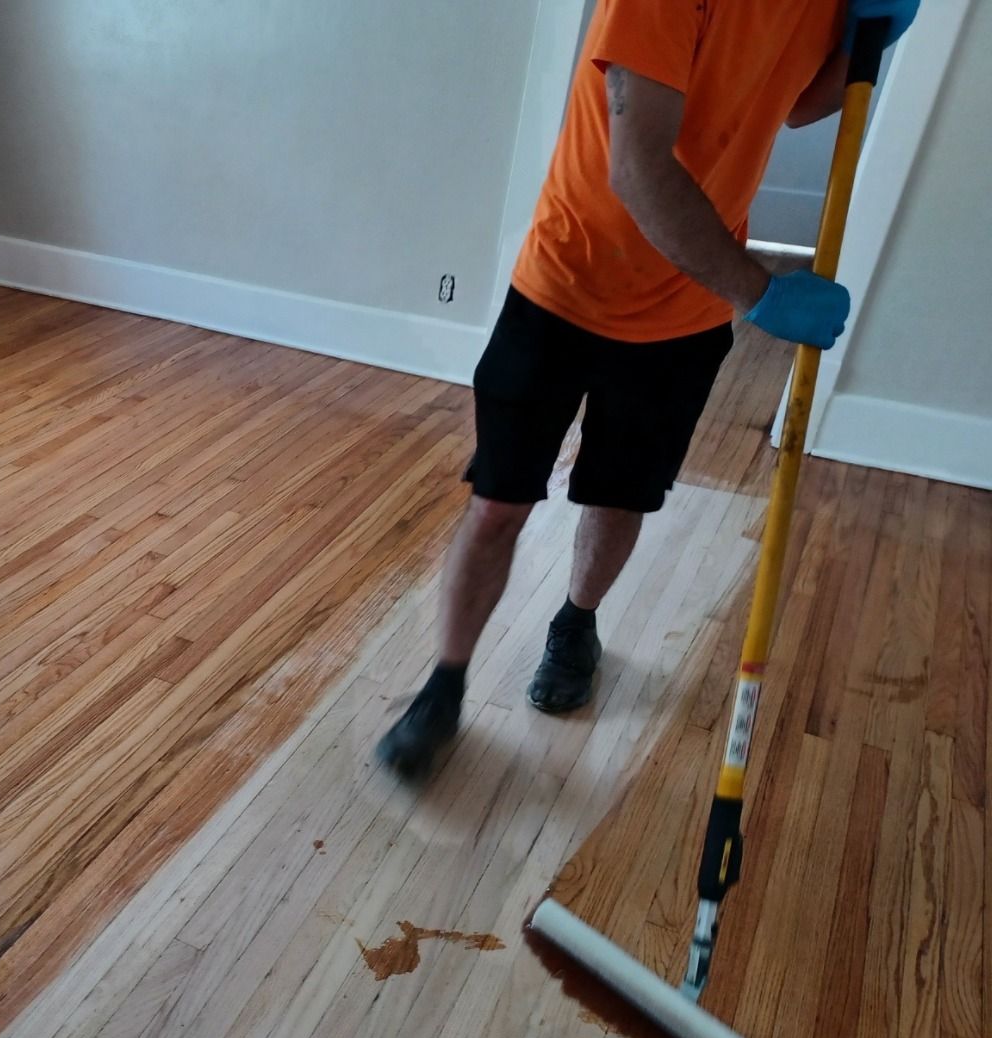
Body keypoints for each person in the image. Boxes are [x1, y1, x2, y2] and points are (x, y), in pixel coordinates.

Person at [378, 0, 919, 779]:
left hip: (683, 315)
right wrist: (761, 292)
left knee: (621, 496)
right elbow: (637, 167)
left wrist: (863, 44)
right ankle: (445, 682)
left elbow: (796, 104)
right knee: (498, 502)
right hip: (565, 286)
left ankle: (576, 623)